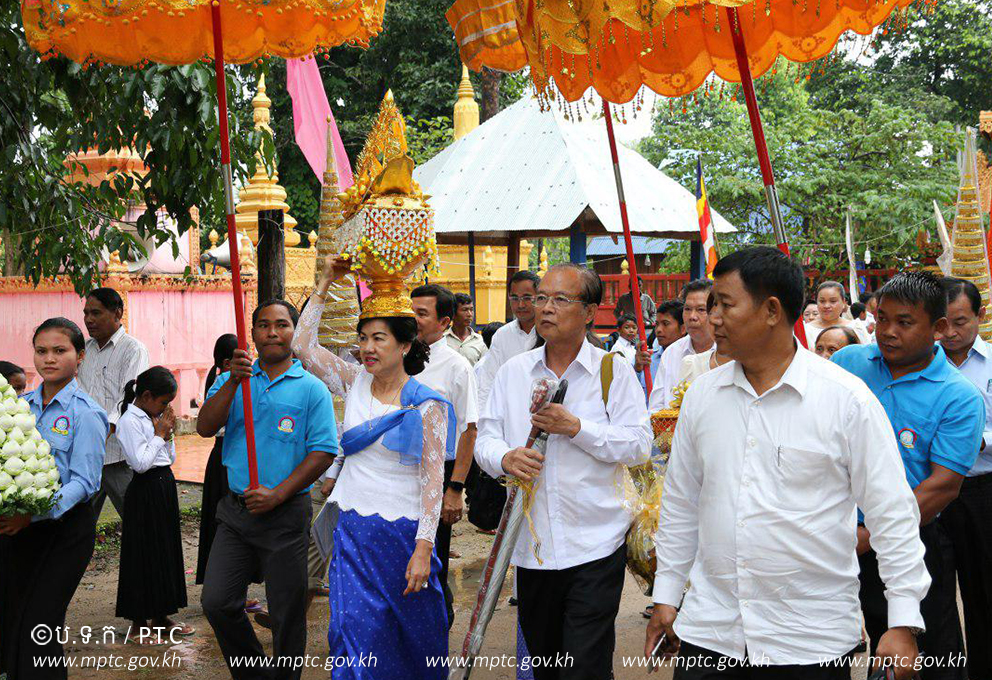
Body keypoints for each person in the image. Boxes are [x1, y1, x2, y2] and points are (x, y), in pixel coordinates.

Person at [646, 247, 931, 680]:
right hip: (712, 633)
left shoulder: (845, 400)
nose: (711, 318)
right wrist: (667, 594)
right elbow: (683, 502)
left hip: (808, 640)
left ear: (772, 311)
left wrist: (902, 621)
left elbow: (892, 512)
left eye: (724, 304)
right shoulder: (702, 396)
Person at [476, 263, 651, 680]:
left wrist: (578, 428)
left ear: (590, 312)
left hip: (595, 542)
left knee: (585, 666)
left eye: (560, 299)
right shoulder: (514, 372)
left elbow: (639, 444)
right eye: (541, 298)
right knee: (547, 662)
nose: (546, 308)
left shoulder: (613, 372)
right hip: (532, 549)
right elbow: (486, 439)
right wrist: (506, 458)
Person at [292, 255, 454, 679]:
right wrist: (325, 282)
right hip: (354, 530)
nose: (367, 348)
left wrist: (424, 548)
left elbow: (433, 483)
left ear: (404, 345)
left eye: (379, 338)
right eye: (363, 338)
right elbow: (303, 347)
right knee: (352, 631)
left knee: (409, 636)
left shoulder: (428, 403)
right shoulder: (352, 380)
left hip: (404, 536)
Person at [832, 271, 985, 680]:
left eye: (904, 322)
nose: (887, 332)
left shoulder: (959, 396)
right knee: (829, 648)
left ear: (937, 328)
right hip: (831, 537)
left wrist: (868, 537)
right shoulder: (848, 364)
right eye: (881, 319)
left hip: (909, 541)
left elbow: (941, 487)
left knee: (922, 657)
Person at [198, 300, 338, 680]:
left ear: (294, 331)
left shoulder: (312, 389)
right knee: (218, 602)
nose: (272, 332)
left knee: (286, 613)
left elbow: (323, 451)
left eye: (281, 325)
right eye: (263, 325)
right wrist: (233, 383)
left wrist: (278, 494)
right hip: (236, 513)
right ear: (253, 332)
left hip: (285, 514)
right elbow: (205, 427)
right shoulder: (234, 378)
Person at [0, 318, 108, 680]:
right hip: (21, 530)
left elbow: (85, 483)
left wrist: (33, 515)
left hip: (65, 532)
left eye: (60, 351)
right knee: (14, 617)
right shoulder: (19, 407)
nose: (49, 359)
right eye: (41, 351)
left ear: (80, 357)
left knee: (39, 625)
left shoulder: (86, 413)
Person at [410, 283, 479, 628]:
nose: (413, 320)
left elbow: (468, 430)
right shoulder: (397, 355)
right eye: (411, 311)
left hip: (440, 474)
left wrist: (455, 488)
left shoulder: (457, 367)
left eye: (421, 314)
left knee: (431, 558)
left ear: (445, 321)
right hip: (399, 472)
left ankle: (438, 624)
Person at [937, 277, 992, 680]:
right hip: (932, 493)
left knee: (984, 591)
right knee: (933, 594)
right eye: (943, 324)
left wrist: (970, 442)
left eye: (961, 322)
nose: (951, 334)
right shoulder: (921, 363)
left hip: (982, 490)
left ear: (980, 316)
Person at [115, 367, 194, 642]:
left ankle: (161, 615)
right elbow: (140, 463)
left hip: (163, 486)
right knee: (142, 553)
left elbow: (168, 459)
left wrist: (167, 435)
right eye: (163, 402)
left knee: (165, 550)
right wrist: (159, 435)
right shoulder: (129, 420)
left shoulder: (153, 417)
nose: (165, 408)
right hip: (144, 490)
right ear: (146, 395)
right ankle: (138, 622)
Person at [78, 287, 149, 518]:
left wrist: (104, 431)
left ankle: (143, 556)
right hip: (86, 455)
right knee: (79, 523)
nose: (89, 320)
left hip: (117, 455)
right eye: (86, 313)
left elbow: (129, 397)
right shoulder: (84, 351)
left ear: (117, 313)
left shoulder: (133, 349)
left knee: (137, 519)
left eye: (96, 313)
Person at [475, 270, 540, 411]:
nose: (520, 305)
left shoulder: (551, 333)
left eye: (527, 298)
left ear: (539, 298)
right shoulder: (502, 335)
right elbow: (487, 381)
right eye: (515, 298)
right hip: (509, 414)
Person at [648, 279, 714, 411]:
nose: (692, 316)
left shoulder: (729, 353)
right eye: (687, 309)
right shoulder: (671, 353)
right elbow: (656, 407)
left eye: (701, 309)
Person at [635, 300, 685, 396]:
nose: (658, 330)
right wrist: (637, 370)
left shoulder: (692, 359)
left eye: (665, 324)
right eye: (657, 324)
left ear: (683, 329)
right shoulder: (647, 360)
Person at [804, 281, 870, 344]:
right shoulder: (806, 330)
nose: (826, 306)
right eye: (822, 301)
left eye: (833, 301)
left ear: (844, 302)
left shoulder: (855, 328)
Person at [446, 292, 487, 365]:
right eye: (464, 310)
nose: (469, 314)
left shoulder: (480, 341)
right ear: (453, 313)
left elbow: (484, 369)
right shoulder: (443, 340)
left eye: (471, 310)